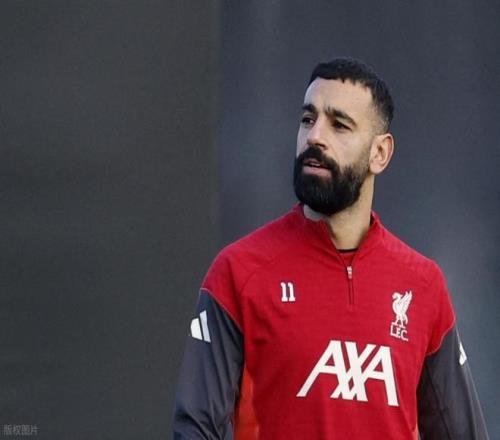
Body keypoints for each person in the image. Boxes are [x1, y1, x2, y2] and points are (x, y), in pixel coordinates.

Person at [172, 58, 489, 439]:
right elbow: (195, 428)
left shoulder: (423, 285)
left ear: (380, 153)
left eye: (339, 125)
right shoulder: (239, 272)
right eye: (308, 119)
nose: (314, 136)